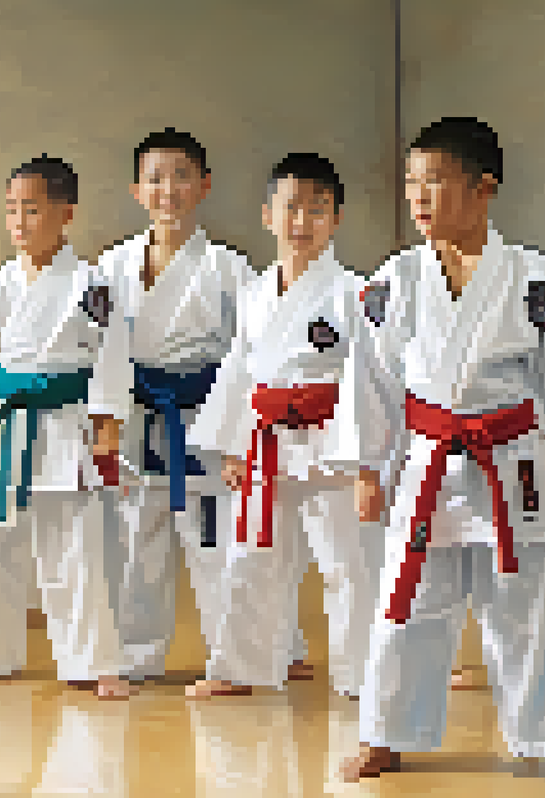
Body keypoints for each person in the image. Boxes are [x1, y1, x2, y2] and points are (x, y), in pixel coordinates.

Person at [339, 117, 545, 781]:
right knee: (407, 605)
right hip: (426, 461)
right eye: (411, 184)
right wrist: (367, 468)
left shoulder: (534, 279)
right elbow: (369, 380)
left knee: (530, 605)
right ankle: (386, 732)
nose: (419, 198)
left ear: (483, 187)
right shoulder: (393, 281)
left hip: (508, 461)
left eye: (435, 182)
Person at [0, 156, 130, 698]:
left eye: (31, 209)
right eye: (12, 209)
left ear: (66, 214)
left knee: (74, 545)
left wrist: (107, 421)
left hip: (64, 424)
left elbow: (111, 356)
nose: (18, 221)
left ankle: (93, 662)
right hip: (4, 423)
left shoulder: (91, 284)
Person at [185, 152, 383, 698]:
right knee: (252, 556)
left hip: (331, 443)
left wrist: (365, 458)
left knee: (348, 563)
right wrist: (231, 444)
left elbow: (371, 379)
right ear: (268, 215)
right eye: (291, 208)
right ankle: (241, 669)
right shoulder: (253, 296)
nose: (302, 223)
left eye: (317, 210)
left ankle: (363, 677)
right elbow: (239, 373)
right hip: (266, 441)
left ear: (337, 219)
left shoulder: (355, 294)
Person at [90, 128, 260, 691]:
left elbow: (250, 357)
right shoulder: (111, 268)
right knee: (137, 545)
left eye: (180, 175)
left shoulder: (229, 269)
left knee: (215, 545)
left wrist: (239, 437)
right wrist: (104, 424)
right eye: (155, 178)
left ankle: (233, 662)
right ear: (137, 190)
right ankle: (137, 657)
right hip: (139, 421)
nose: (168, 189)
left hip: (204, 423)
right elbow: (98, 352)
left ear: (204, 185)